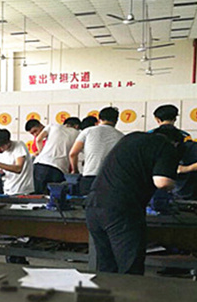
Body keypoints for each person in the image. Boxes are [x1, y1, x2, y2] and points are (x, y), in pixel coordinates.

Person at [85, 125, 184, 274]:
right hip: (121, 209)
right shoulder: (165, 146)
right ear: (175, 143)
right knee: (130, 267)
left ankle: (107, 289)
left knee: (106, 267)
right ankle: (128, 290)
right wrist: (173, 183)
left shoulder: (131, 138)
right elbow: (162, 182)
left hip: (93, 204)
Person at [69, 107, 123, 195]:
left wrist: (75, 170)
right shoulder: (121, 136)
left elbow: (73, 153)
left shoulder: (88, 131)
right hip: (110, 179)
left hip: (90, 176)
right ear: (116, 120)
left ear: (99, 119)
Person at [29, 117, 79, 193]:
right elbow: (73, 154)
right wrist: (75, 170)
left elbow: (38, 139)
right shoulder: (78, 133)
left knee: (38, 195)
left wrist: (42, 153)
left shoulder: (53, 126)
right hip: (57, 168)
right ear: (77, 126)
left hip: (39, 165)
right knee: (54, 195)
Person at [0, 129, 33, 195]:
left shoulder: (19, 146)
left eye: (1, 146)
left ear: (8, 143)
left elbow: (18, 169)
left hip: (22, 191)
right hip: (7, 190)